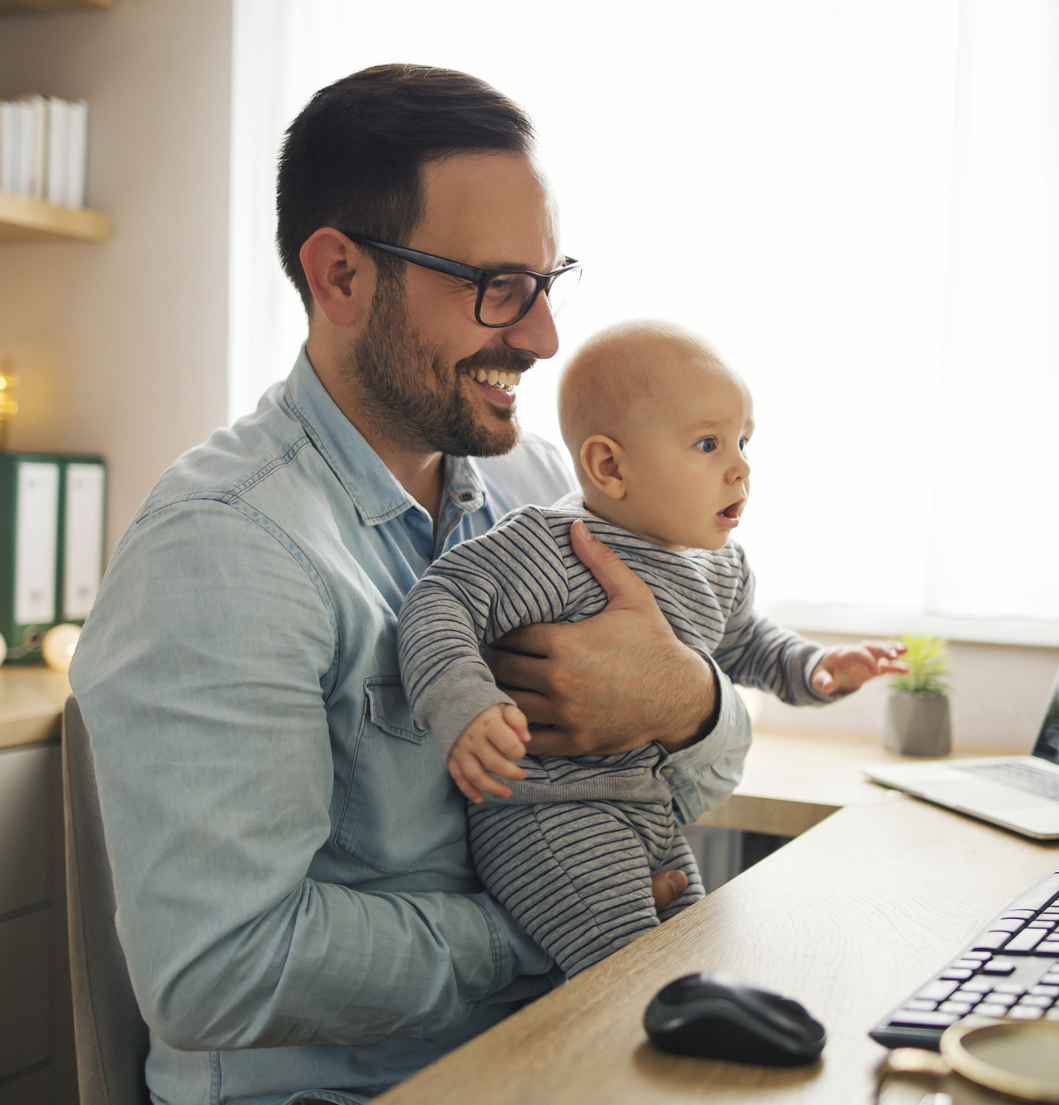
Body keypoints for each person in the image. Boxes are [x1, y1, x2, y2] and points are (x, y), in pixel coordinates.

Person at [69, 65, 754, 1105]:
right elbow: (219, 970)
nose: (541, 336)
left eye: (545, 281)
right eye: (494, 287)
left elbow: (673, 767)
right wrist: (552, 919)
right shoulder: (222, 552)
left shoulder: (536, 491)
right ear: (339, 276)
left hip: (549, 1058)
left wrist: (688, 701)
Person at [397, 320, 906, 978]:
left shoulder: (721, 567)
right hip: (552, 816)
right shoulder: (555, 545)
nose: (741, 466)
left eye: (744, 441)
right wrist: (463, 703)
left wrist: (817, 667)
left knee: (694, 951)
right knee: (634, 979)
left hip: (652, 809)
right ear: (610, 466)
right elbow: (441, 599)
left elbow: (749, 643)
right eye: (708, 443)